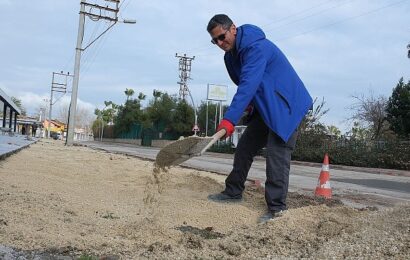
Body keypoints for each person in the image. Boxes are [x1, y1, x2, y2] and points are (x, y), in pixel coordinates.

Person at [206, 14, 313, 223]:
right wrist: (248, 107)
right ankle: (233, 191)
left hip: (285, 106)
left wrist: (228, 121)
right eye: (215, 40)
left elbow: (247, 85)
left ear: (233, 29)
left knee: (277, 154)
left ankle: (277, 209)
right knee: (245, 147)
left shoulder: (256, 47)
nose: (220, 43)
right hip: (266, 107)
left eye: (222, 36)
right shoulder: (230, 57)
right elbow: (248, 86)